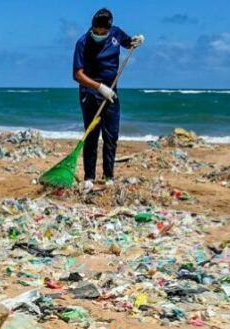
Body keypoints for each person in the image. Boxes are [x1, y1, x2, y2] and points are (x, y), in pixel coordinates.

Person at [72, 8, 143, 193]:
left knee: (111, 135)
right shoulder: (83, 42)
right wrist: (98, 87)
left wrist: (136, 41)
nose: (99, 34)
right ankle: (89, 177)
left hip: (111, 91)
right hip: (91, 92)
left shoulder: (115, 33)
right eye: (96, 31)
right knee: (92, 135)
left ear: (108, 29)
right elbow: (77, 74)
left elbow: (128, 43)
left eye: (102, 32)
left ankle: (109, 176)